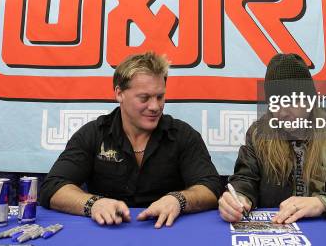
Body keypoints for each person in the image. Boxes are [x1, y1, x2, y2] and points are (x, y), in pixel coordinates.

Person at [40, 52, 222, 228]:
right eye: (144, 98)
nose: (155, 106)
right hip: (107, 232)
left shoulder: (183, 135)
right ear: (119, 93)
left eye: (160, 97)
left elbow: (211, 188)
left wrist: (179, 200)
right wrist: (93, 204)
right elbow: (54, 187)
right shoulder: (94, 134)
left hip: (167, 231)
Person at [218, 53, 326, 223]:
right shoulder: (258, 133)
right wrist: (238, 198)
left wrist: (323, 203)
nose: (282, 112)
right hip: (281, 229)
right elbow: (245, 179)